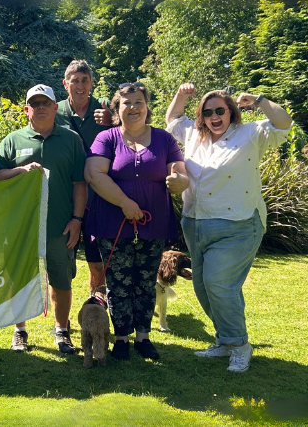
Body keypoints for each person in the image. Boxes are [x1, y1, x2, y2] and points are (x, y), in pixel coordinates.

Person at [165, 83, 292, 372]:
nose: (214, 116)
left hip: (239, 224)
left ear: (232, 112)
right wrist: (182, 95)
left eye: (220, 110)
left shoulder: (251, 133)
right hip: (195, 223)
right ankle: (225, 341)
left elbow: (284, 123)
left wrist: (259, 100)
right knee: (203, 287)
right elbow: (172, 119)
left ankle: (239, 344)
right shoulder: (194, 136)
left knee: (220, 285)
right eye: (208, 112)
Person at [84, 82, 188, 361]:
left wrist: (179, 182)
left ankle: (143, 337)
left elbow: (180, 174)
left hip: (154, 226)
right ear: (117, 109)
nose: (133, 107)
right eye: (126, 103)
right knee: (118, 283)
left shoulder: (165, 139)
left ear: (147, 106)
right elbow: (94, 174)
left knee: (145, 281)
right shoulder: (107, 138)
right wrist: (124, 203)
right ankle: (120, 338)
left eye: (138, 102)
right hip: (112, 224)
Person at [0, 84, 87, 354]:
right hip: (20, 226)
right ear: (26, 110)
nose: (41, 107)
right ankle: (19, 331)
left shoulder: (71, 140)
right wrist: (21, 170)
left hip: (59, 226)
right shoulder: (13, 140)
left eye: (46, 102)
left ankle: (62, 331)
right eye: (35, 103)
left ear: (56, 107)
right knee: (19, 279)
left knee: (61, 280)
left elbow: (80, 183)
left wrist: (77, 219)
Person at [54, 60, 114, 293]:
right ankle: (62, 323)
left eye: (85, 80)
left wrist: (112, 122)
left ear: (91, 84)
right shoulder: (54, 110)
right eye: (75, 80)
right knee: (60, 263)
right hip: (63, 194)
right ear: (65, 83)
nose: (80, 85)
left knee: (97, 262)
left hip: (97, 197)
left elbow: (136, 125)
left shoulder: (105, 107)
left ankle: (95, 309)